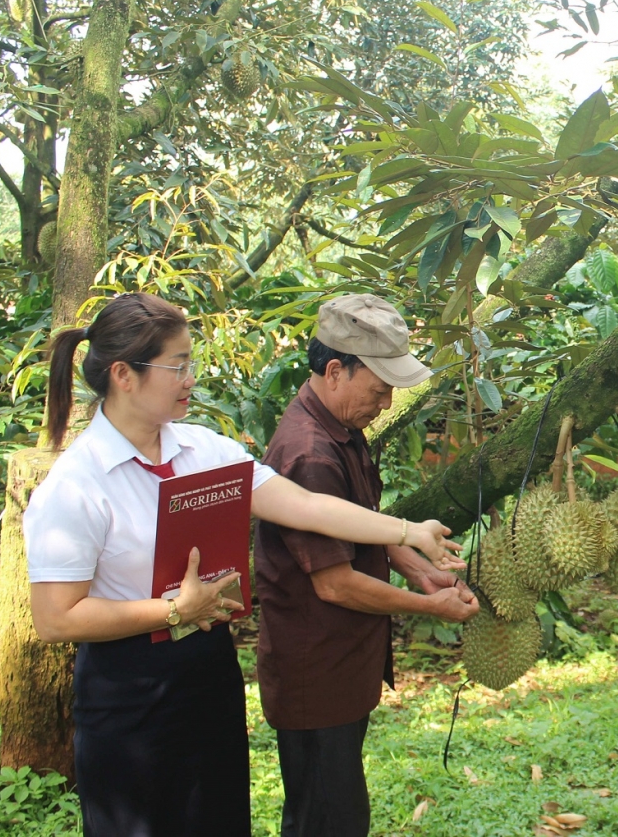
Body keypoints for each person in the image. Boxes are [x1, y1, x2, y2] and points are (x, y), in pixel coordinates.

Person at [24, 292, 465, 837]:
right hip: (128, 688)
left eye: (192, 362)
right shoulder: (75, 487)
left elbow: (306, 505)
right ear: (124, 375)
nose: (190, 378)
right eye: (177, 365)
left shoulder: (203, 452)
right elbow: (56, 619)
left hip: (208, 671)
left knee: (218, 817)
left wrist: (405, 532)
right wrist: (170, 611)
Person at [254, 294, 480, 837]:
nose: (383, 404)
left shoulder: (341, 428)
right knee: (327, 820)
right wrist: (428, 605)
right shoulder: (309, 454)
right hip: (316, 672)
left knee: (336, 811)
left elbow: (356, 522)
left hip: (343, 662)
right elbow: (335, 584)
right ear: (335, 371)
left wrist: (416, 568)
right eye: (378, 391)